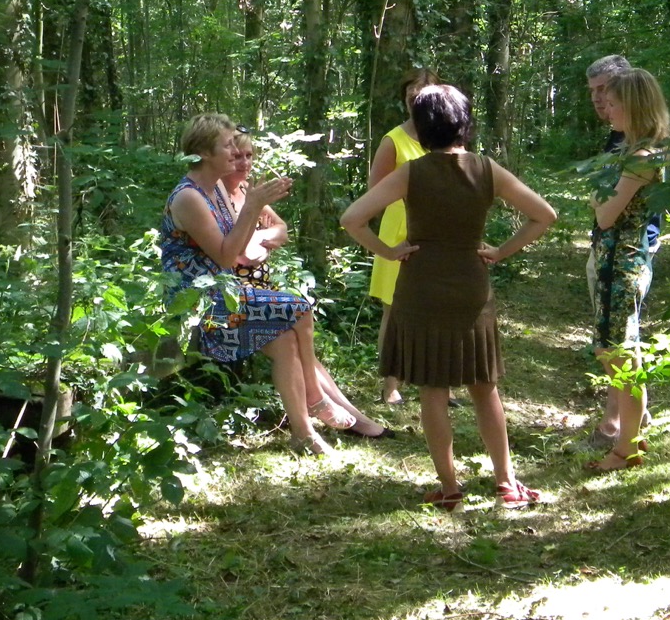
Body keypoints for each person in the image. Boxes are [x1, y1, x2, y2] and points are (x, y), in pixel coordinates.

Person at [341, 85, 557, 510]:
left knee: (432, 389)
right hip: (471, 287)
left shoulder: (413, 172)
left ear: (421, 127)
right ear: (464, 122)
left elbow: (352, 218)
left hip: (419, 285)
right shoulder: (486, 169)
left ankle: (450, 488)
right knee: (484, 386)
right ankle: (507, 483)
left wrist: (390, 251)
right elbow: (543, 215)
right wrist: (500, 252)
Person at [159, 113, 355, 456]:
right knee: (299, 307)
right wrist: (252, 207)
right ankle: (314, 396)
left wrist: (256, 212)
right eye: (228, 145)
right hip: (200, 303)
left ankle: (303, 433)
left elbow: (250, 241)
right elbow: (225, 256)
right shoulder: (189, 196)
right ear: (205, 153)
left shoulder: (216, 188)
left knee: (285, 342)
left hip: (228, 293)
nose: (236, 151)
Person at [217, 127, 394, 440]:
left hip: (262, 292)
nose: (243, 162)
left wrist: (260, 237)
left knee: (297, 345)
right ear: (223, 157)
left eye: (248, 156)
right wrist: (253, 243)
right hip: (235, 299)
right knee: (298, 318)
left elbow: (281, 229)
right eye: (236, 156)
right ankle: (323, 406)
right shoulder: (215, 197)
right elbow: (235, 255)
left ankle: (348, 417)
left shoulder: (246, 191)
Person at [584, 65, 670, 473]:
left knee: (622, 356)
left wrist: (597, 199)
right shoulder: (631, 152)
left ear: (633, 107)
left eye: (614, 102)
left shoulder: (640, 157)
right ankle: (628, 442)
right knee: (617, 352)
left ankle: (627, 448)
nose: (608, 109)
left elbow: (604, 214)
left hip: (624, 264)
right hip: (614, 262)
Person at [367, 69, 442, 406]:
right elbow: (374, 193)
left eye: (422, 91)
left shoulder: (446, 137)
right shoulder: (393, 140)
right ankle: (390, 386)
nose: (415, 97)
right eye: (410, 92)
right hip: (399, 232)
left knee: (438, 310)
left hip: (439, 234)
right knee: (395, 312)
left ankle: (437, 383)